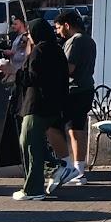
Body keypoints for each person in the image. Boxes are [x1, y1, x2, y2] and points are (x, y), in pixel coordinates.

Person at [12, 18, 69, 201]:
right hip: (52, 105)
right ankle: (54, 168)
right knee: (33, 143)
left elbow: (33, 78)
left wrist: (12, 71)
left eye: (29, 33)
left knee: (29, 143)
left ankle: (34, 188)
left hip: (36, 105)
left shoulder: (40, 51)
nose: (28, 37)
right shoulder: (56, 50)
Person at [52, 7, 96, 187]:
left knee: (64, 129)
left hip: (74, 90)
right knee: (77, 129)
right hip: (87, 88)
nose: (57, 31)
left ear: (67, 25)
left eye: (58, 27)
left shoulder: (74, 42)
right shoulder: (90, 40)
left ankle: (71, 168)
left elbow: (68, 68)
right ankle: (79, 170)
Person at [0, 13, 30, 84]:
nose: (12, 26)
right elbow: (15, 53)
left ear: (21, 24)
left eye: (15, 24)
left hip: (21, 72)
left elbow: (26, 49)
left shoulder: (24, 37)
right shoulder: (18, 37)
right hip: (16, 71)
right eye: (12, 24)